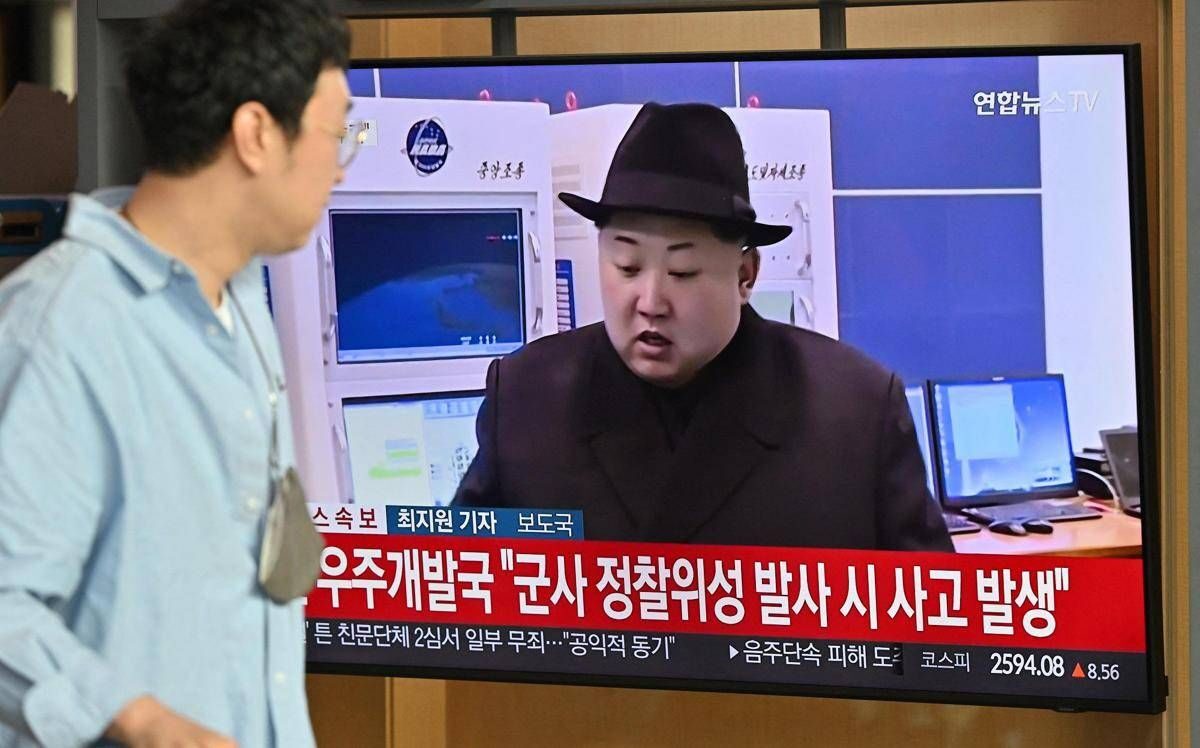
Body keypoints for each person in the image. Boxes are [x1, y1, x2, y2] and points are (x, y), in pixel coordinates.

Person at [0, 1, 352, 745]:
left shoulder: (242, 299)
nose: (342, 163)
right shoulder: (61, 323)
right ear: (256, 134)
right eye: (336, 133)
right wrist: (141, 721)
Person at [453, 102, 952, 552]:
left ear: (745, 274)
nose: (650, 302)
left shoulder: (856, 412)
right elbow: (456, 585)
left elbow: (934, 609)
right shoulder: (526, 398)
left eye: (683, 272)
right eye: (627, 266)